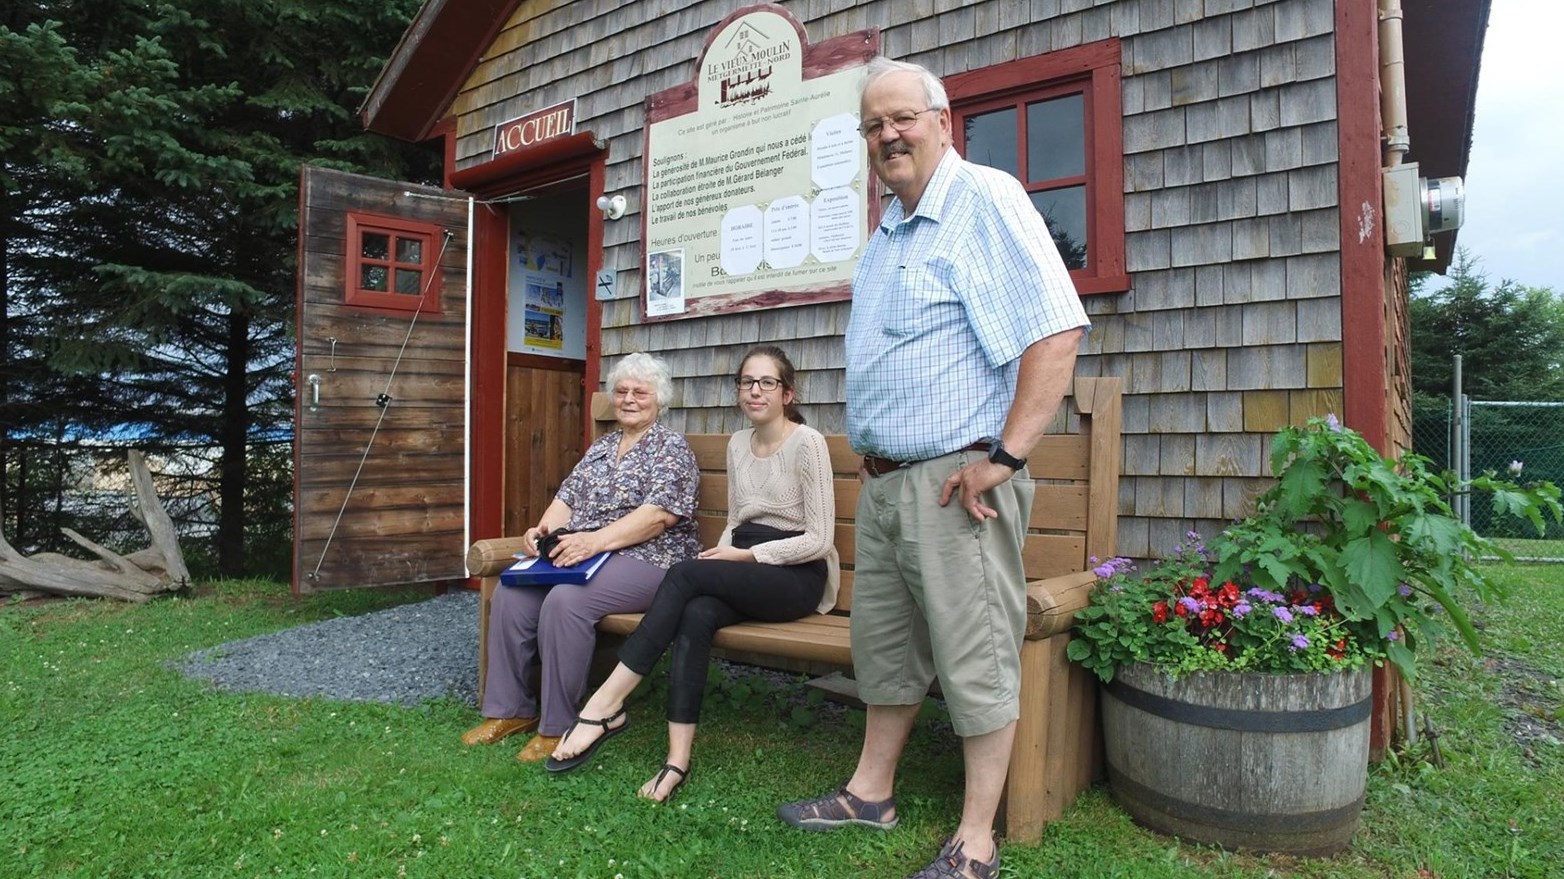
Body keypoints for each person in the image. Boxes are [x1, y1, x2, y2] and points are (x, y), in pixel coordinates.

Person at [776, 57, 1090, 879]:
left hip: (957, 484)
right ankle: (870, 792)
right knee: (884, 650)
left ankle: (977, 840)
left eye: (901, 118)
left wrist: (1007, 455)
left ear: (942, 120)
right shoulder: (886, 230)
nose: (888, 135)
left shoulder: (985, 200)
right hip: (884, 483)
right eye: (873, 125)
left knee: (977, 658)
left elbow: (1054, 331)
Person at [544, 345, 838, 802]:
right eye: (747, 382)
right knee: (696, 611)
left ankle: (604, 704)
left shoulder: (808, 443)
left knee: (681, 575)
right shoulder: (738, 444)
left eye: (767, 383)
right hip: (744, 563)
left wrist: (743, 558)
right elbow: (738, 524)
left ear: (787, 393)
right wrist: (722, 553)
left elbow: (818, 540)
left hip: (795, 573)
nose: (755, 391)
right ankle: (676, 760)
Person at [462, 352, 701, 762]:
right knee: (512, 594)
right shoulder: (603, 447)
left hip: (651, 561)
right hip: (585, 554)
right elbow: (567, 499)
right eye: (621, 391)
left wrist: (593, 542)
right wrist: (543, 531)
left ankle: (559, 724)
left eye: (639, 392)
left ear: (659, 399)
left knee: (566, 601)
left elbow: (656, 518)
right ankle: (511, 709)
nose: (628, 399)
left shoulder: (671, 448)